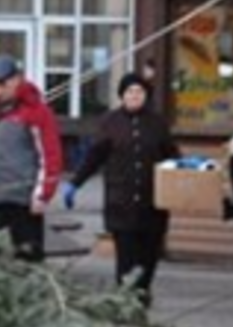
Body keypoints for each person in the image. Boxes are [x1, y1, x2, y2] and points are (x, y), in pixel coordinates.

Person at [62, 74, 181, 304]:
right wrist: (75, 183)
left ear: (146, 96)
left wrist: (183, 174)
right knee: (126, 258)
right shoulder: (110, 122)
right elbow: (94, 157)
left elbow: (172, 156)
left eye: (139, 92)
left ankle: (143, 294)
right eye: (129, 92)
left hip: (152, 204)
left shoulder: (157, 124)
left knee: (148, 257)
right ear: (122, 96)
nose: (134, 96)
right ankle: (125, 300)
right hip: (121, 203)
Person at [0, 54, 64, 262]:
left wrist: (42, 195)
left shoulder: (37, 112)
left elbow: (50, 155)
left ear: (17, 79)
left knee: (27, 258)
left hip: (23, 200)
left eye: (2, 84)